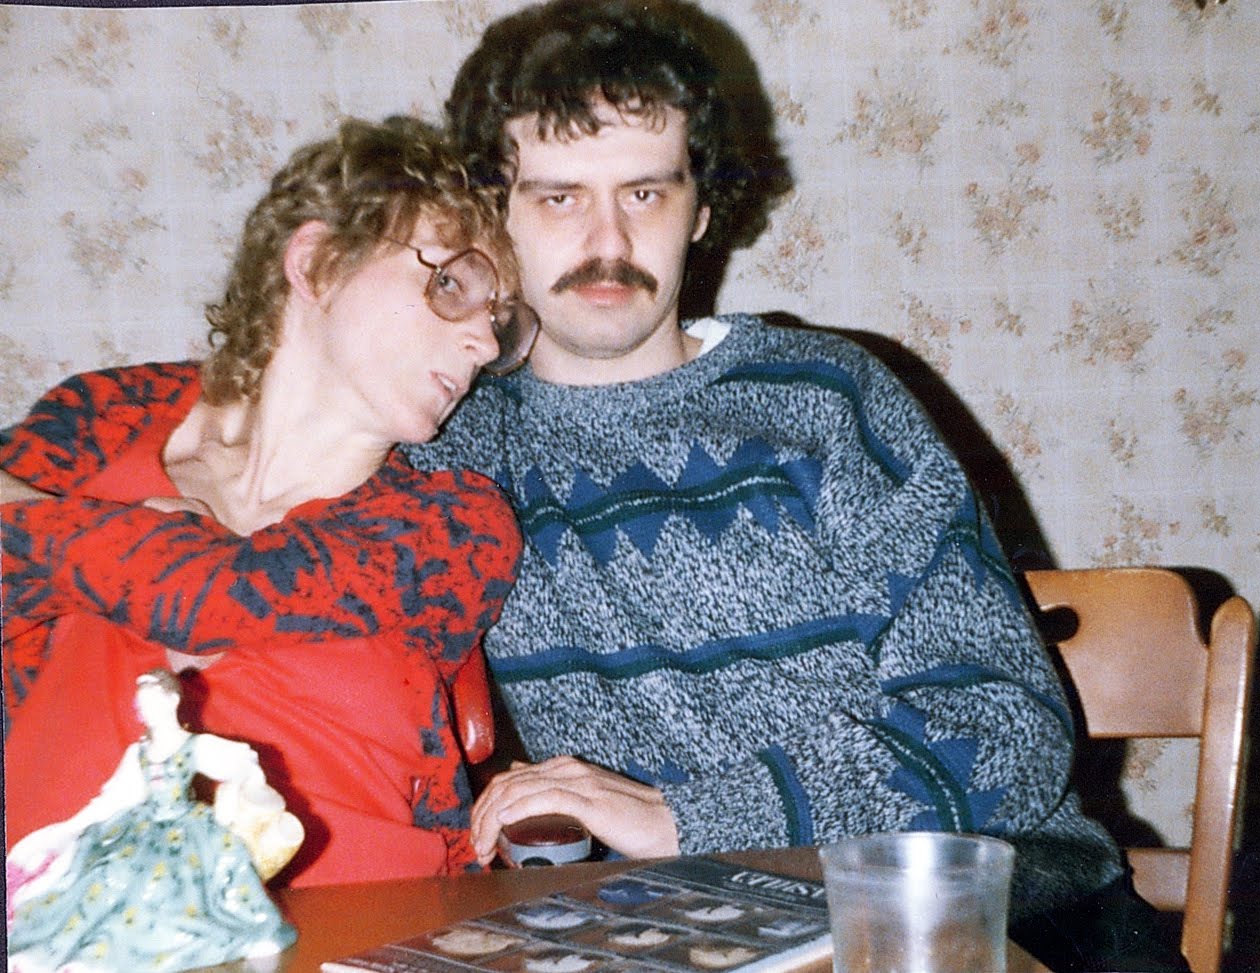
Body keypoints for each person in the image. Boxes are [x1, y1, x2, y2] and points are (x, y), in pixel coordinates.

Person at [409, 2, 1188, 970]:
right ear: (494, 215)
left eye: (645, 193)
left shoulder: (826, 399)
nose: (608, 240)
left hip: (990, 902)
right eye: (560, 198)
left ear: (701, 207)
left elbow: (1005, 732)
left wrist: (686, 816)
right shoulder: (454, 447)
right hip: (681, 932)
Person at [1, 116, 531, 887]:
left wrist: (69, 534)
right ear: (317, 262)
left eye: (499, 319)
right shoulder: (106, 417)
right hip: (63, 922)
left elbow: (212, 597)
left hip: (361, 926)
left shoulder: (453, 526)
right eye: (451, 283)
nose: (483, 343)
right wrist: (127, 544)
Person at [6, 669, 299, 973]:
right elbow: (114, 797)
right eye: (141, 705)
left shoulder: (194, 745)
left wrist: (231, 798)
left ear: (172, 700)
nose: (145, 710)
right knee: (107, 874)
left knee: (163, 885)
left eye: (152, 702)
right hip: (140, 829)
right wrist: (71, 827)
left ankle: (116, 953)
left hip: (187, 832)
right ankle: (68, 949)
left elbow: (241, 765)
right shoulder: (138, 753)